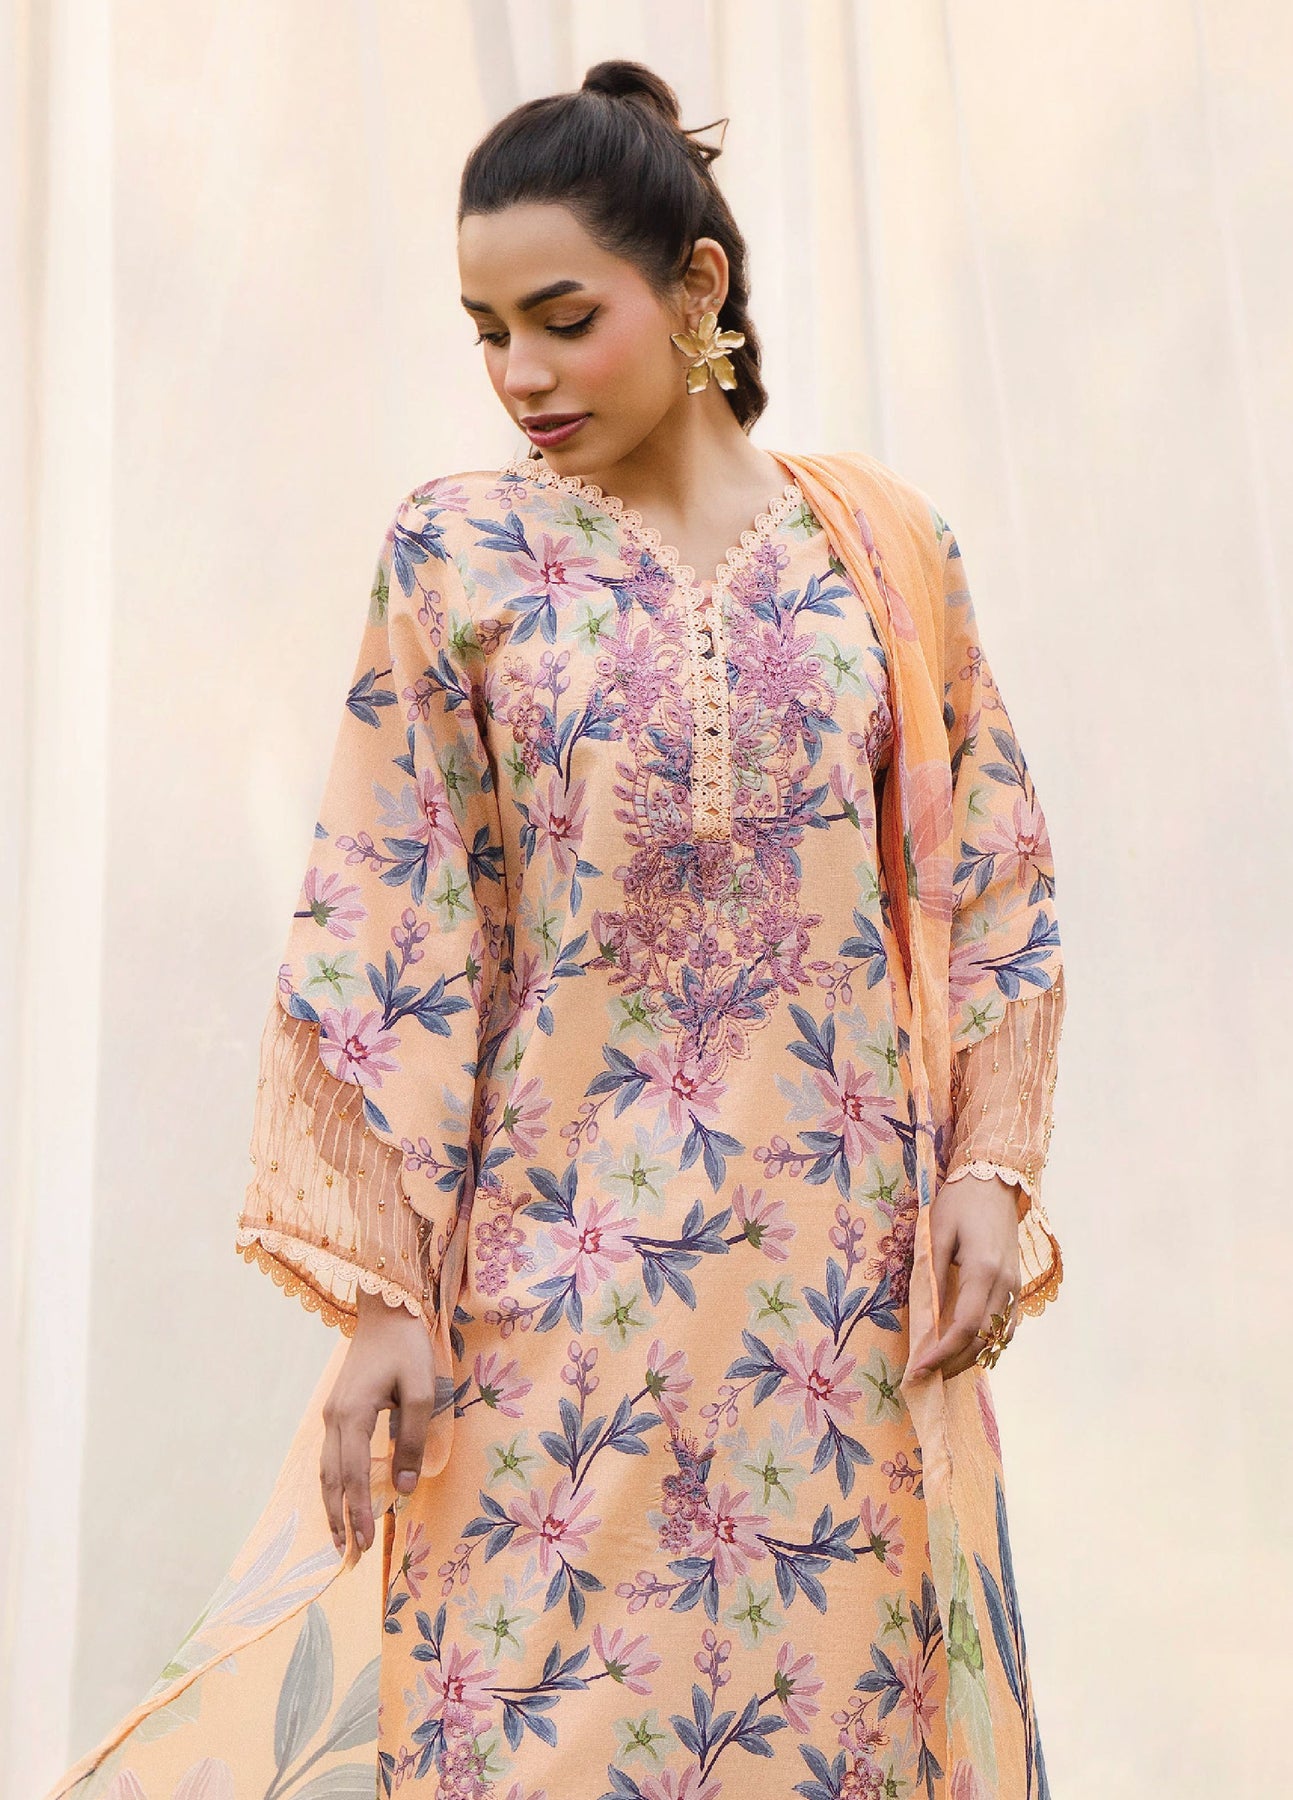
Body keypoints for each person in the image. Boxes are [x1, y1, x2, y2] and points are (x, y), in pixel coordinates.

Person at [47, 58, 1067, 1800]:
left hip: (835, 1307)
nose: (518, 374)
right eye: (486, 332)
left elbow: (995, 872)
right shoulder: (456, 558)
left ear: (697, 286)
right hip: (552, 1306)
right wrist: (385, 1301)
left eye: (561, 319)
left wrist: (986, 1165)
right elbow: (389, 921)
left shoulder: (881, 555)